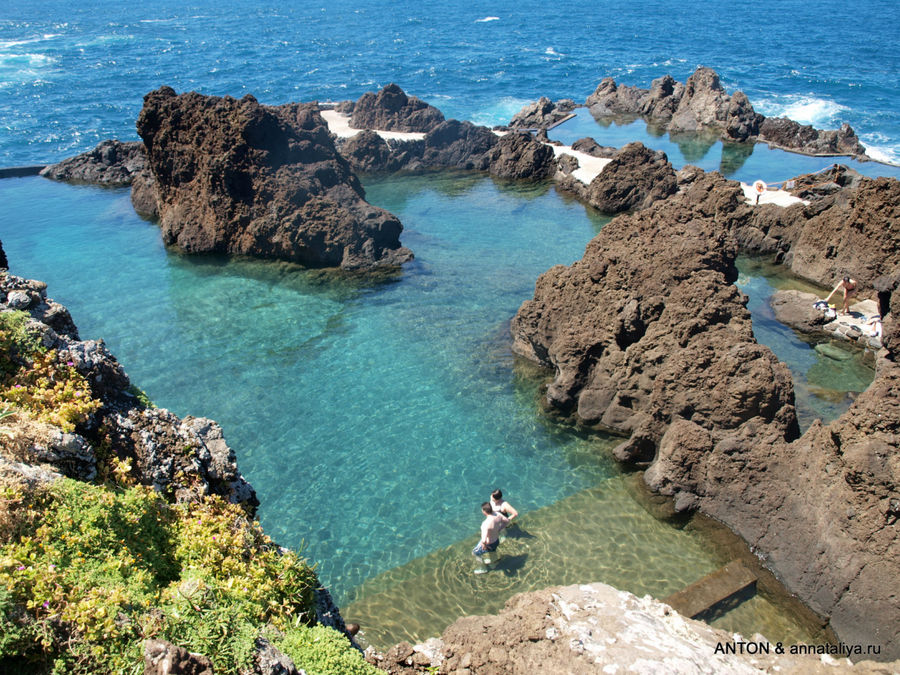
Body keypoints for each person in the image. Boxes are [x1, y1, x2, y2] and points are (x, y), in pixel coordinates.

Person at [472, 501, 508, 573]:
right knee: (492, 551)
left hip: (489, 543)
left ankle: (483, 569)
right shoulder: (498, 514)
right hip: (496, 540)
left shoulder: (485, 524)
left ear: (484, 511)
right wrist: (500, 528)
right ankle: (493, 563)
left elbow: (484, 539)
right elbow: (507, 521)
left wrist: (484, 545)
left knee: (475, 553)